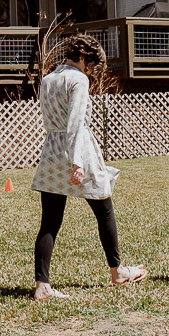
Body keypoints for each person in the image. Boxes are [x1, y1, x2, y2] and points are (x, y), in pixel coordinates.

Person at [29, 34, 147, 300]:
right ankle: (118, 272)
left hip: (51, 150)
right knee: (104, 209)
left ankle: (42, 285)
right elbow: (75, 122)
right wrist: (77, 162)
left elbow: (53, 119)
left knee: (49, 220)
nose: (89, 70)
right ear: (81, 57)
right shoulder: (78, 79)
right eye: (89, 63)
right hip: (77, 148)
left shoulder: (48, 79)